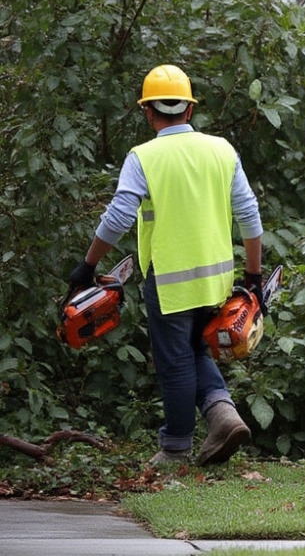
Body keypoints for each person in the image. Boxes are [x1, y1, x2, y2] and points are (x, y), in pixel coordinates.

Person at [66, 64, 265, 465]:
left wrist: (87, 267)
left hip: (171, 281)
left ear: (148, 111)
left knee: (175, 360)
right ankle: (223, 415)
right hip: (217, 280)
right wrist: (254, 275)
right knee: (195, 349)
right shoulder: (222, 150)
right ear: (189, 110)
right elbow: (249, 214)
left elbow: (120, 217)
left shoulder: (144, 157)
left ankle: (175, 447)